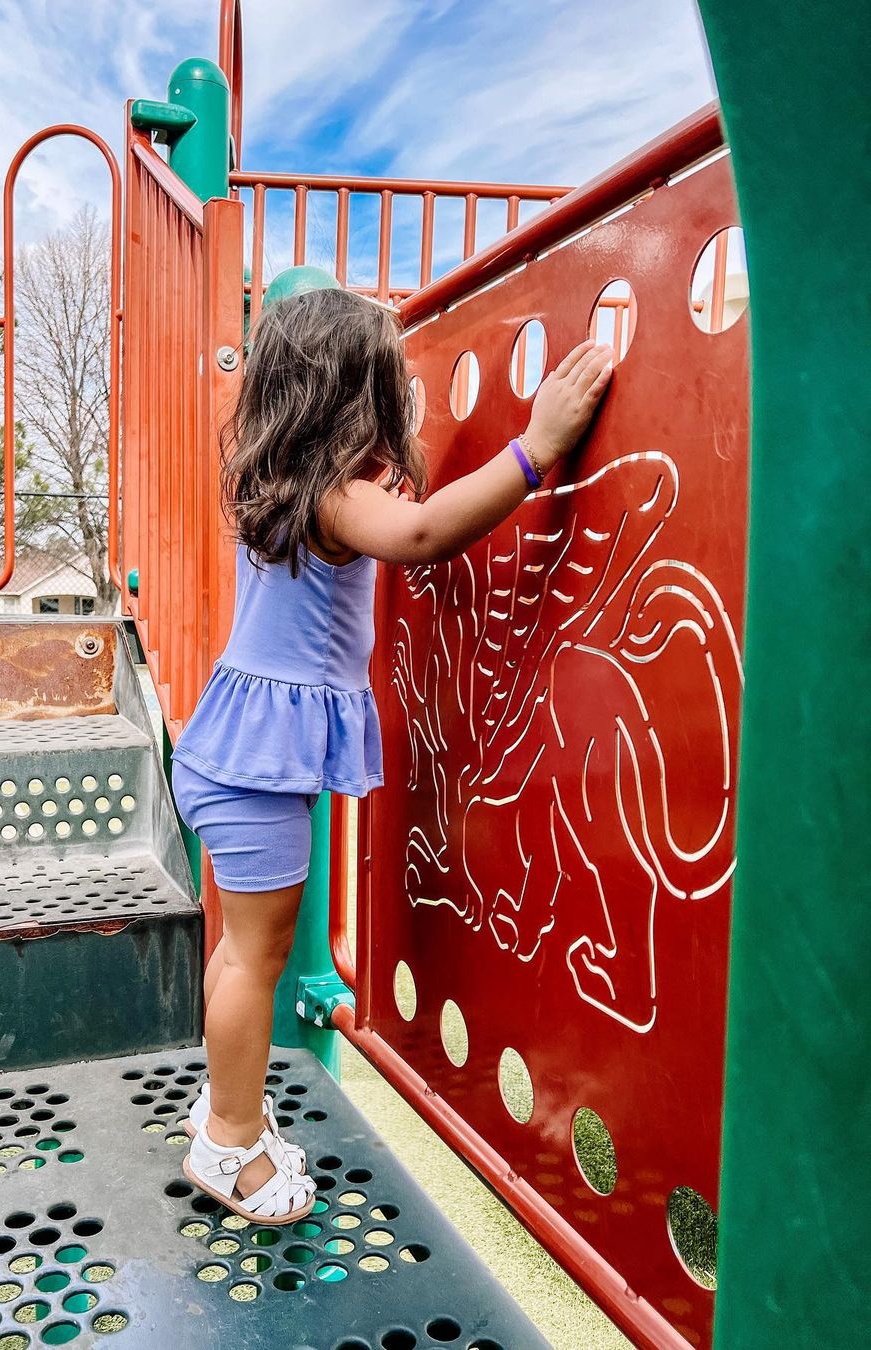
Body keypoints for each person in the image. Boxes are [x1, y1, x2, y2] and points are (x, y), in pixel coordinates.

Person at [172, 286, 613, 1223]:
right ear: (350, 398)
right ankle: (231, 1145)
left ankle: (224, 1106)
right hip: (254, 768)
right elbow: (418, 536)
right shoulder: (339, 497)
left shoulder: (284, 484)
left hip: (233, 753)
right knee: (258, 957)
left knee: (240, 952)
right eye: (392, 390)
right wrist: (537, 449)